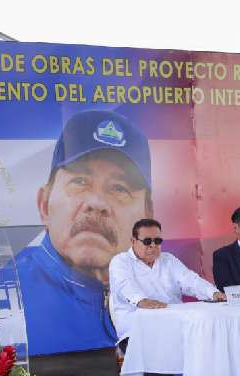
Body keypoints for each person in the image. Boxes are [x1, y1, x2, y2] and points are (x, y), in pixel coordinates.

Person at [16, 110, 152, 354]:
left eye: (120, 188)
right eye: (79, 182)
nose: (97, 203)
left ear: (147, 217)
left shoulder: (164, 290)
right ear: (44, 204)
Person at [109, 218, 225, 376]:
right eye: (147, 241)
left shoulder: (169, 260)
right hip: (136, 331)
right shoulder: (120, 262)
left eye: (158, 240)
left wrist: (213, 293)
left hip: (174, 327)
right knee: (153, 346)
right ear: (133, 241)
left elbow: (190, 280)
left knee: (208, 342)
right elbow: (124, 286)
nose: (153, 246)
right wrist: (141, 301)